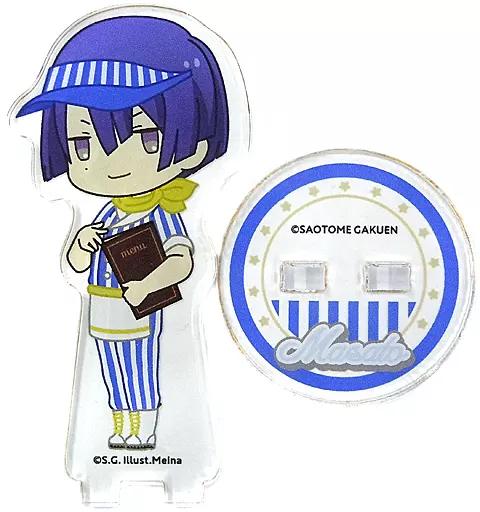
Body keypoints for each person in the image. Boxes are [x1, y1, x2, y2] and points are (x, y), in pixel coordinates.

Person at [17, 15, 229, 450]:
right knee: (112, 372)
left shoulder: (163, 209)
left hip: (139, 309)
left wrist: (147, 285)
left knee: (139, 369)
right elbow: (77, 263)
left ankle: (146, 429)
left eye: (146, 137)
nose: (111, 163)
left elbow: (182, 260)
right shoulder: (109, 212)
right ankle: (121, 427)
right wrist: (81, 246)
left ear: (196, 146)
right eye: (81, 145)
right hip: (102, 308)